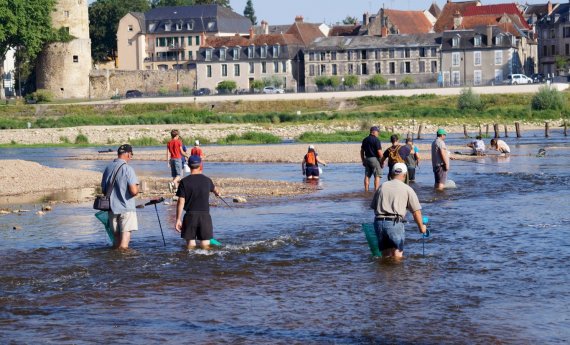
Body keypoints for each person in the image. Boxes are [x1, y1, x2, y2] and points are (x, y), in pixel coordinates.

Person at [370, 163, 426, 258]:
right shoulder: (407, 189)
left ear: (392, 174)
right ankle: (397, 273)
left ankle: (385, 273)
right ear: (404, 175)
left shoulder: (382, 186)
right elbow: (416, 212)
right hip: (394, 223)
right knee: (397, 256)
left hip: (379, 223)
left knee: (385, 256)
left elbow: (374, 207)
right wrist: (421, 227)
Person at [175, 155, 221, 250]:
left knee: (190, 247)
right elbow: (216, 191)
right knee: (205, 246)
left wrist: (178, 219)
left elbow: (181, 201)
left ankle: (191, 264)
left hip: (190, 216)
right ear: (200, 165)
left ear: (188, 165)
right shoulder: (207, 180)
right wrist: (217, 193)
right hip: (205, 217)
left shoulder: (184, 182)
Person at [101, 144, 139, 249]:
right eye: (131, 154)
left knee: (116, 242)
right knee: (124, 245)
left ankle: (114, 262)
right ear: (127, 154)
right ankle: (124, 263)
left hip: (112, 209)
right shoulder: (128, 169)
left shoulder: (108, 168)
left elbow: (104, 189)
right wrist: (137, 189)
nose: (131, 157)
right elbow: (133, 191)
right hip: (126, 208)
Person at [360, 126, 383, 192]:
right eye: (377, 132)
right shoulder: (376, 140)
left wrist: (363, 160)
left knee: (367, 175)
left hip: (367, 159)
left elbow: (362, 151)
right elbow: (379, 152)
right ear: (374, 132)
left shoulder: (365, 139)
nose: (378, 133)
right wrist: (382, 161)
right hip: (375, 159)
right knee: (377, 175)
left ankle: (366, 190)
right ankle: (376, 191)